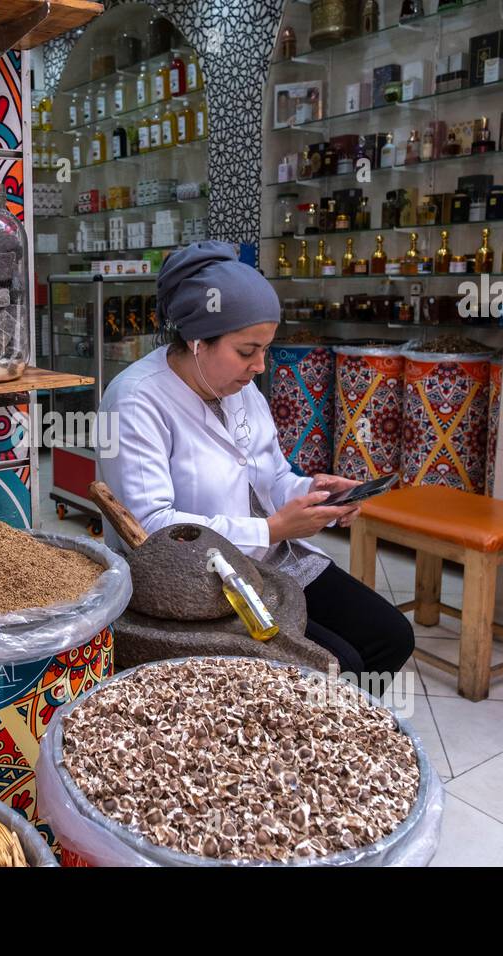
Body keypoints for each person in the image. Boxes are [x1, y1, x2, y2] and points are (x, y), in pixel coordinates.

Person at [98, 241, 413, 678]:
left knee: (391, 636)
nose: (260, 366)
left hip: (271, 558)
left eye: (265, 349)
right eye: (247, 351)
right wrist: (272, 529)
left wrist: (313, 493)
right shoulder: (134, 401)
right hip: (197, 580)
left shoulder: (238, 388)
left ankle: (327, 731)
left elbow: (272, 476)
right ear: (196, 342)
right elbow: (151, 530)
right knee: (341, 665)